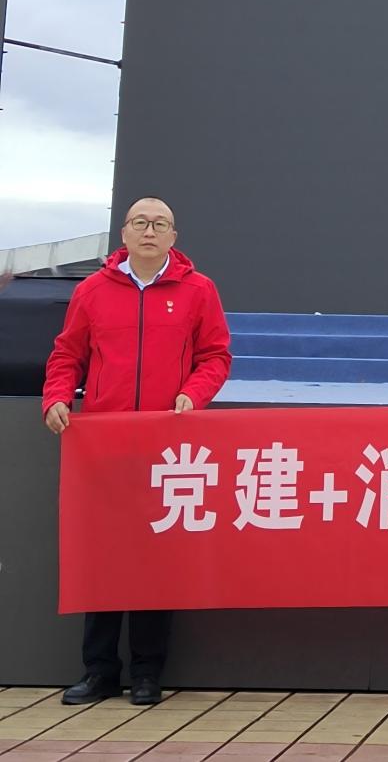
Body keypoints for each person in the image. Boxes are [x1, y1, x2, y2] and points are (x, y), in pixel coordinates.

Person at [42, 197, 232, 707]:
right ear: (124, 233)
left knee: (155, 559)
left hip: (167, 447)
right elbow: (67, 354)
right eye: (141, 223)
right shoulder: (92, 290)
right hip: (104, 447)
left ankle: (148, 671)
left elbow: (216, 356)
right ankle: (99, 670)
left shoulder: (198, 290)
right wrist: (56, 398)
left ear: (174, 236)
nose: (150, 231)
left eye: (160, 224)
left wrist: (193, 394)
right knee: (103, 557)